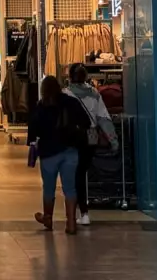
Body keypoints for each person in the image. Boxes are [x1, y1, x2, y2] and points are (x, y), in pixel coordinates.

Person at [27, 75, 90, 234]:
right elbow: (86, 122)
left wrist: (33, 143)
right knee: (70, 188)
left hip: (48, 153)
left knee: (49, 187)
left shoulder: (41, 106)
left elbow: (33, 130)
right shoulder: (71, 102)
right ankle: (71, 223)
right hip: (70, 150)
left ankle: (48, 218)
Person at [65, 63, 119, 226]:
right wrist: (113, 139)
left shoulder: (66, 94)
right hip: (92, 134)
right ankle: (85, 212)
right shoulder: (95, 93)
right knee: (85, 171)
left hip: (74, 135)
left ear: (70, 77)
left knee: (75, 174)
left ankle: (79, 212)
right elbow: (103, 118)